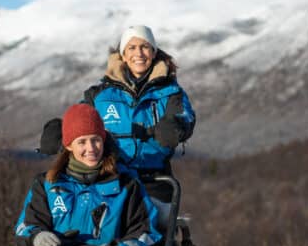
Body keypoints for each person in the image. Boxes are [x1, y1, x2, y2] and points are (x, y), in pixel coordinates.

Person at [8, 103, 162, 246]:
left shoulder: (126, 185)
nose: (91, 149)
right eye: (82, 142)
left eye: (96, 140)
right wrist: (36, 235)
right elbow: (25, 226)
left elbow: (146, 233)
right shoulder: (47, 184)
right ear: (69, 145)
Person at [41, 24, 195, 200]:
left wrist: (176, 125)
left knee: (156, 216)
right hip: (109, 180)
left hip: (154, 182)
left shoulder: (171, 93)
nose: (139, 53)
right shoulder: (100, 95)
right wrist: (61, 132)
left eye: (145, 47)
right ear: (123, 55)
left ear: (153, 53)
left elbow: (186, 117)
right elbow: (80, 120)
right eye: (132, 48)